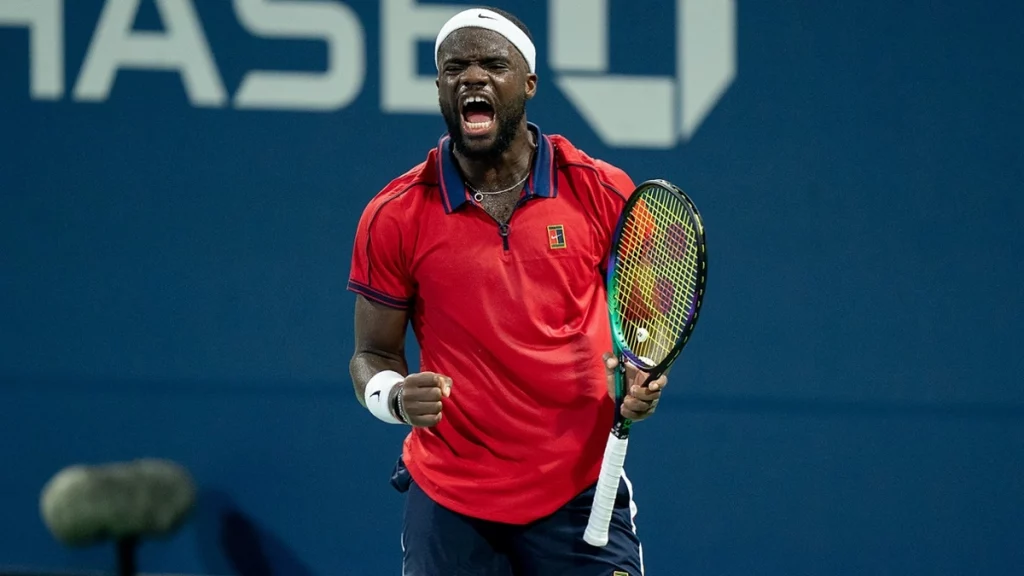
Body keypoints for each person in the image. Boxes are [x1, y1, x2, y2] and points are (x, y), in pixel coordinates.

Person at [347, 7, 669, 575]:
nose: (473, 78)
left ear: (529, 84)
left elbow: (644, 327)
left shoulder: (601, 190)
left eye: (494, 64)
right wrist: (395, 399)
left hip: (579, 489)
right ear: (440, 86)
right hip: (452, 497)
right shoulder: (393, 215)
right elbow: (372, 354)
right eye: (456, 68)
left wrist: (639, 375)